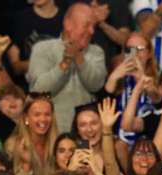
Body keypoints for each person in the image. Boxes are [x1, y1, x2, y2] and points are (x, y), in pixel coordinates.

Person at [26, 3, 106, 134]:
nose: (92, 31)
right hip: (51, 132)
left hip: (85, 133)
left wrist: (79, 57)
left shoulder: (96, 52)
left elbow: (95, 85)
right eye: (86, 25)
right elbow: (38, 90)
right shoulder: (42, 49)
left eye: (93, 26)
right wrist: (65, 63)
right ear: (68, 24)